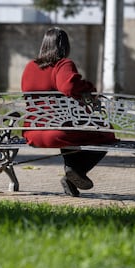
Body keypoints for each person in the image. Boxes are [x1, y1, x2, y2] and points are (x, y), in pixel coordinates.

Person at [21, 27, 117, 197]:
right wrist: (89, 88)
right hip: (56, 132)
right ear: (65, 46)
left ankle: (72, 176)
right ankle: (75, 170)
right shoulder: (63, 64)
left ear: (44, 44)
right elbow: (69, 86)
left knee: (72, 129)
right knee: (107, 131)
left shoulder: (30, 66)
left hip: (33, 132)